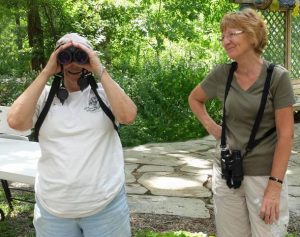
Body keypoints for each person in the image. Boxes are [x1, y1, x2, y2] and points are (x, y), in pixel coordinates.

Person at [7, 33, 137, 237]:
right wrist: (46, 72)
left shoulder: (104, 93)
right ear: (57, 60)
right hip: (53, 208)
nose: (74, 64)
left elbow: (128, 116)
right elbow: (15, 122)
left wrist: (97, 67)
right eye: (66, 56)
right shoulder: (43, 97)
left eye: (81, 56)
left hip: (105, 204)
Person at [188, 8, 295, 237]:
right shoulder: (222, 74)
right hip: (227, 173)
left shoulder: (278, 78)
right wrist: (212, 127)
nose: (225, 41)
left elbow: (286, 135)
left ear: (252, 34)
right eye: (222, 36)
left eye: (231, 34)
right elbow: (194, 99)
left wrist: (274, 187)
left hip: (264, 176)